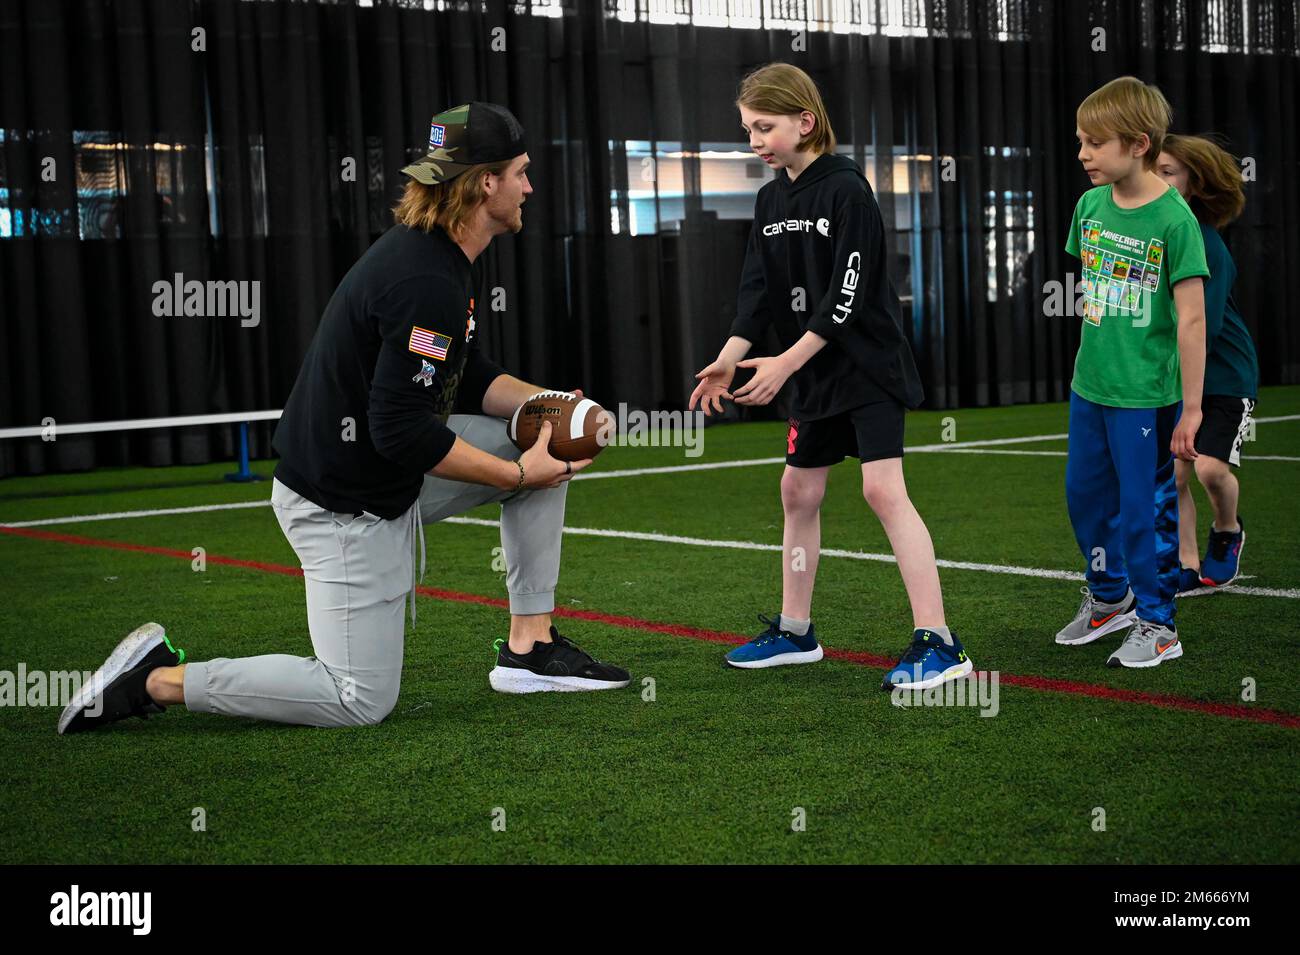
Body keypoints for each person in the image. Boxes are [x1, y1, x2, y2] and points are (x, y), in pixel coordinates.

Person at [59, 102, 629, 735]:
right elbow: (402, 429)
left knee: (543, 443)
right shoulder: (424, 278)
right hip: (341, 501)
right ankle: (156, 680)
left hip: (383, 469)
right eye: (520, 172)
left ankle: (531, 649)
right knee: (357, 699)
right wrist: (516, 475)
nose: (529, 186)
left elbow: (472, 375)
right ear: (484, 182)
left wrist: (550, 407)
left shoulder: (439, 254)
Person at [689, 63, 973, 691]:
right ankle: (795, 631)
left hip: (866, 366)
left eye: (764, 127)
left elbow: (846, 297)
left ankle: (940, 642)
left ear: (805, 122)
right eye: (747, 129)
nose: (754, 141)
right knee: (798, 493)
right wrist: (731, 355)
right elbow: (756, 292)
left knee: (882, 491)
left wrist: (786, 362)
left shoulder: (847, 191)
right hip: (814, 376)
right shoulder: (769, 199)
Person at [1056, 77, 1208, 668]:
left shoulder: (1176, 220)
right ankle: (1108, 596)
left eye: (1094, 143)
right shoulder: (1089, 206)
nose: (1083, 154)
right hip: (1089, 387)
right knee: (1085, 499)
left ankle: (1159, 622)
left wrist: (1192, 409)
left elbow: (1191, 321)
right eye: (1079, 141)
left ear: (1139, 143)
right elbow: (1092, 294)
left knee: (1145, 509)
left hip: (1146, 396)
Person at [1156, 134, 1257, 591]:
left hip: (1223, 377)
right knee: (1175, 475)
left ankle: (1227, 530)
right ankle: (1187, 565)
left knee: (1209, 469)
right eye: (1152, 171)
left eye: (1168, 173)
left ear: (1194, 185)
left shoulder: (1206, 244)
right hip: (1178, 378)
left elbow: (1203, 327)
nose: (1158, 181)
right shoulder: (1158, 234)